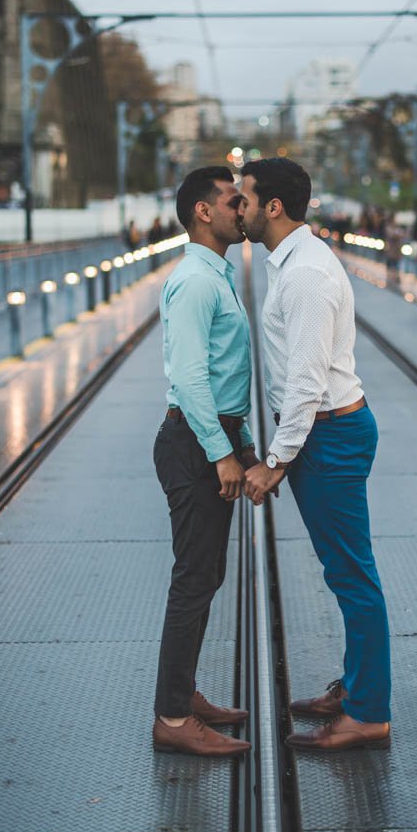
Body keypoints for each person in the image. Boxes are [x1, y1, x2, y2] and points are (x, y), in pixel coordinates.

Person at [238, 157, 391, 752]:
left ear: (273, 206)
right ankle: (356, 688)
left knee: (353, 576)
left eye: (245, 198)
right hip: (325, 432)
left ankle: (369, 711)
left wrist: (275, 462)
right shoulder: (295, 261)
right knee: (345, 571)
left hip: (327, 435)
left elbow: (304, 381)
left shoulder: (303, 275)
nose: (239, 207)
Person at [152, 166, 256, 757]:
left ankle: (183, 694)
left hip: (210, 438)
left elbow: (221, 374)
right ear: (202, 211)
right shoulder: (195, 281)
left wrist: (239, 445)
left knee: (207, 575)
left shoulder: (216, 275)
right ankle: (171, 718)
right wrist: (222, 454)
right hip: (193, 443)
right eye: (232, 200)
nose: (242, 209)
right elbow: (190, 379)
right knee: (193, 580)